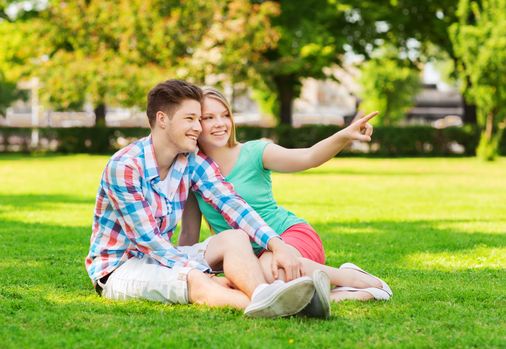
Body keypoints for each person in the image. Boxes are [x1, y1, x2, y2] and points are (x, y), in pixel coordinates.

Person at [85, 79, 324, 318]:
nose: (199, 128)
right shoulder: (125, 167)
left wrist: (276, 244)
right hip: (120, 268)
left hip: (161, 258)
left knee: (235, 237)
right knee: (196, 279)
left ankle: (265, 293)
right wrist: (202, 272)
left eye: (199, 119)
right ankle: (289, 306)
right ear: (162, 119)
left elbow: (233, 204)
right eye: (189, 119)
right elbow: (148, 241)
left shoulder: (190, 160)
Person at [181, 87, 393, 304]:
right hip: (249, 258)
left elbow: (308, 157)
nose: (220, 123)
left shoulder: (255, 152)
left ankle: (353, 278)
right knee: (258, 283)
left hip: (288, 237)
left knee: (269, 275)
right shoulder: (192, 174)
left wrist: (345, 135)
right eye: (209, 118)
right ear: (196, 123)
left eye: (225, 115)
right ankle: (336, 296)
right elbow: (189, 234)